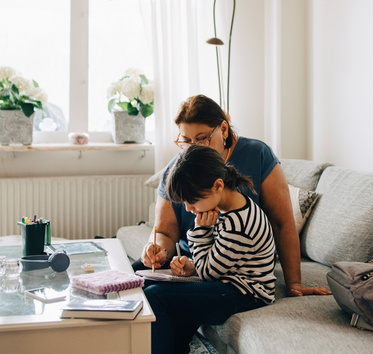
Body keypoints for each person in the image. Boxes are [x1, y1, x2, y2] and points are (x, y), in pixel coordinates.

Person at [137, 94, 331, 297]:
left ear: (223, 129)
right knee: (135, 279)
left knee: (156, 296)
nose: (194, 147)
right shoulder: (177, 170)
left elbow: (282, 223)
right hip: (187, 259)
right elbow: (165, 232)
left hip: (232, 265)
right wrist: (157, 250)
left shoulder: (257, 155)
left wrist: (294, 283)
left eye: (202, 138)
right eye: (186, 140)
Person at [144, 145, 276, 354]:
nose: (187, 208)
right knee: (148, 281)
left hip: (246, 292)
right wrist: (191, 265)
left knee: (156, 296)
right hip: (227, 279)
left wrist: (201, 229)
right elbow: (214, 261)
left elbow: (208, 273)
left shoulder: (238, 224)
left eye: (192, 200)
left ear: (218, 185)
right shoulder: (228, 207)